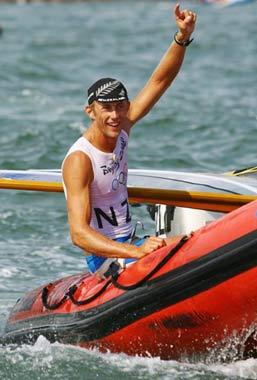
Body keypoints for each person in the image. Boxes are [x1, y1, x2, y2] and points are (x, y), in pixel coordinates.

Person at [62, 4, 197, 279]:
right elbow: (78, 233)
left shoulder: (123, 125)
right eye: (106, 108)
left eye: (120, 106)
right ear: (90, 111)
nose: (115, 115)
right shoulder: (80, 160)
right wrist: (137, 252)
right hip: (107, 258)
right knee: (182, 253)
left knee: (195, 243)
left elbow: (159, 81)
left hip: (133, 241)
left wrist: (182, 37)